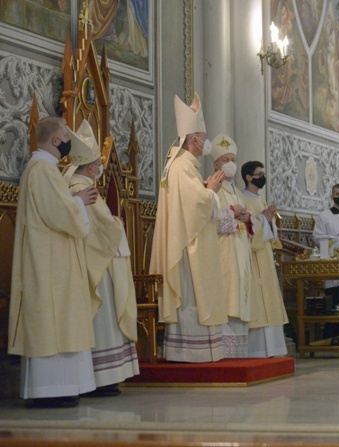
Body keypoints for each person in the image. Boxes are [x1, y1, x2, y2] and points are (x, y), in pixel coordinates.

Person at [8, 116, 99, 408]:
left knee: (60, 320)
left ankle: (63, 386)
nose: (68, 140)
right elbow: (58, 213)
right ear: (56, 141)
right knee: (52, 322)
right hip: (49, 263)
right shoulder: (42, 170)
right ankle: (51, 388)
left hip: (54, 257)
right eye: (65, 135)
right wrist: (80, 201)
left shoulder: (45, 170)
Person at [150, 93, 235, 363]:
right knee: (191, 295)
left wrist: (205, 189)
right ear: (193, 139)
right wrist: (210, 191)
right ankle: (188, 351)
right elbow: (195, 206)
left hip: (191, 240)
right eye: (203, 136)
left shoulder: (184, 166)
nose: (206, 142)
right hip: (187, 247)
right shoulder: (181, 167)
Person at [66, 120, 139, 395]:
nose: (102, 167)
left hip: (97, 261)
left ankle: (103, 378)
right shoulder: (83, 188)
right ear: (91, 166)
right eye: (99, 163)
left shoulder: (75, 184)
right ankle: (102, 378)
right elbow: (100, 227)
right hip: (98, 267)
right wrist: (118, 224)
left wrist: (112, 223)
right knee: (103, 317)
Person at [210, 134, 256, 358]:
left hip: (241, 250)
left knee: (241, 295)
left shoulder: (237, 191)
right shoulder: (212, 189)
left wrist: (248, 218)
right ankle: (225, 355)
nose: (230, 164)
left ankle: (239, 356)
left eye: (233, 159)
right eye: (225, 159)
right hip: (223, 252)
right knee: (228, 298)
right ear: (216, 163)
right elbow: (210, 220)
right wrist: (232, 213)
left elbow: (249, 219)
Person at [241, 160, 289, 358]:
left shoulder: (261, 199)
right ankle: (257, 350)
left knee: (269, 299)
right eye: (259, 174)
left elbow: (269, 231)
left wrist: (267, 222)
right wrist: (262, 220)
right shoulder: (241, 198)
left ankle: (274, 349)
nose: (263, 177)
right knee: (257, 301)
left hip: (265, 257)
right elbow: (246, 230)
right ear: (249, 177)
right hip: (251, 257)